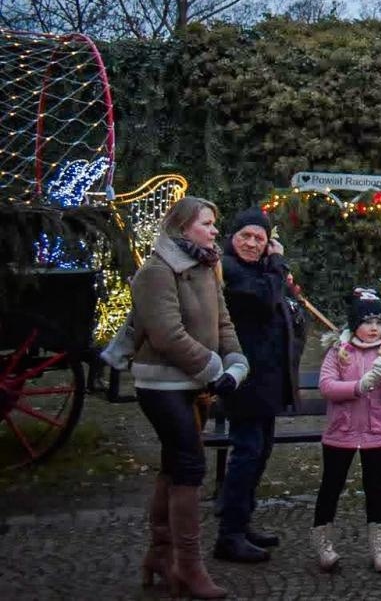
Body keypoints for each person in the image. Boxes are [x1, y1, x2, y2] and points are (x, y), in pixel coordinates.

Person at [127, 196, 249, 599]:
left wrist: (234, 362)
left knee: (174, 466)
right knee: (190, 464)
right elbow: (166, 335)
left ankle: (161, 554)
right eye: (207, 223)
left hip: (193, 384)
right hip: (160, 384)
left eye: (215, 224)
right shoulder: (157, 272)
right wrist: (214, 369)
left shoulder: (206, 266)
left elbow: (223, 322)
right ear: (182, 227)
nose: (215, 231)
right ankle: (187, 565)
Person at [214, 209, 305, 564]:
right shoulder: (230, 269)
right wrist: (278, 263)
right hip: (246, 380)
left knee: (260, 451)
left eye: (260, 239)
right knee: (247, 453)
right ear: (232, 238)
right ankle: (229, 534)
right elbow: (265, 299)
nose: (252, 244)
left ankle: (242, 522)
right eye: (246, 237)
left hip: (266, 379)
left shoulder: (259, 270)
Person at [313, 288, 381, 573]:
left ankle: (379, 546)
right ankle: (323, 542)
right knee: (331, 485)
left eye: (378, 322)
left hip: (378, 433)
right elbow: (326, 386)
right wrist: (358, 386)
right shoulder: (339, 351)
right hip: (340, 434)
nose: (374, 327)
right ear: (355, 324)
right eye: (367, 322)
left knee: (376, 488)